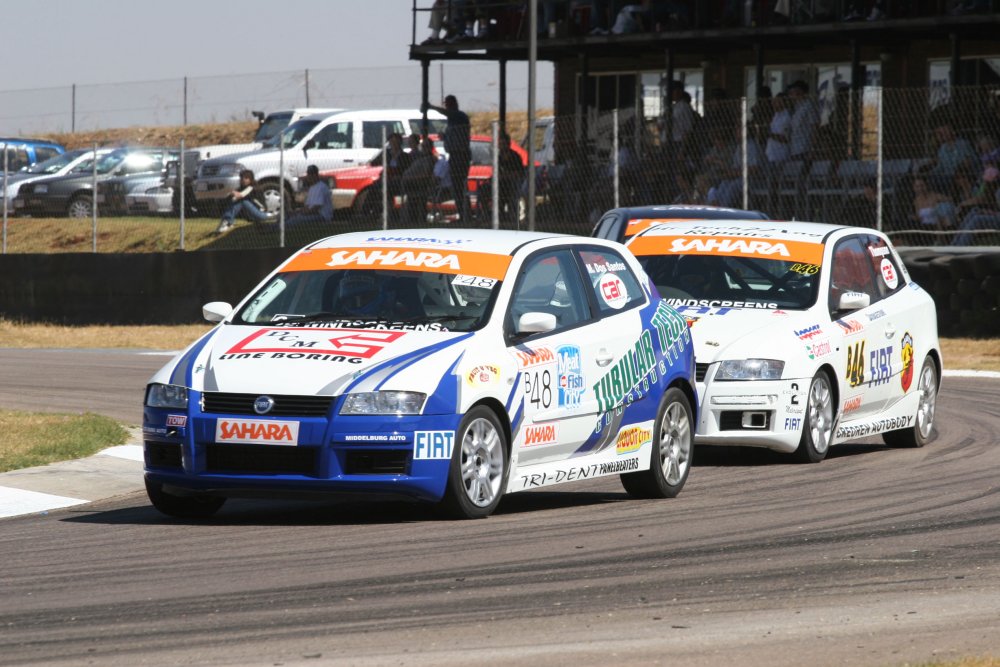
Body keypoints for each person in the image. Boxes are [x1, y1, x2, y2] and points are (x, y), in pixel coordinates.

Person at [422, 95, 472, 223]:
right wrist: (445, 137)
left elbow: (450, 114)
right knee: (456, 187)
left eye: (449, 104)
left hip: (461, 155)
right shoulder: (452, 120)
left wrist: (431, 107)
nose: (447, 107)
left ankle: (466, 215)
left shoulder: (460, 116)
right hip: (454, 155)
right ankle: (462, 213)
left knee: (460, 186)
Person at [215, 169, 270, 234]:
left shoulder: (252, 188)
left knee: (242, 201)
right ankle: (226, 221)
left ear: (251, 179)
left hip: (261, 214)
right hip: (250, 215)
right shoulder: (242, 188)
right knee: (235, 201)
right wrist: (231, 195)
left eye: (246, 178)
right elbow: (232, 198)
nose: (243, 180)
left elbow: (240, 196)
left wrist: (232, 192)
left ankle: (228, 222)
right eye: (241, 178)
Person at [401, 137, 438, 225]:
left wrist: (411, 178)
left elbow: (426, 174)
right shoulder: (419, 157)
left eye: (426, 146)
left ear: (430, 147)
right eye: (423, 146)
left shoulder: (429, 159)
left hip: (419, 185)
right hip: (410, 184)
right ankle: (409, 219)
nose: (424, 148)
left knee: (414, 198)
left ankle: (413, 220)